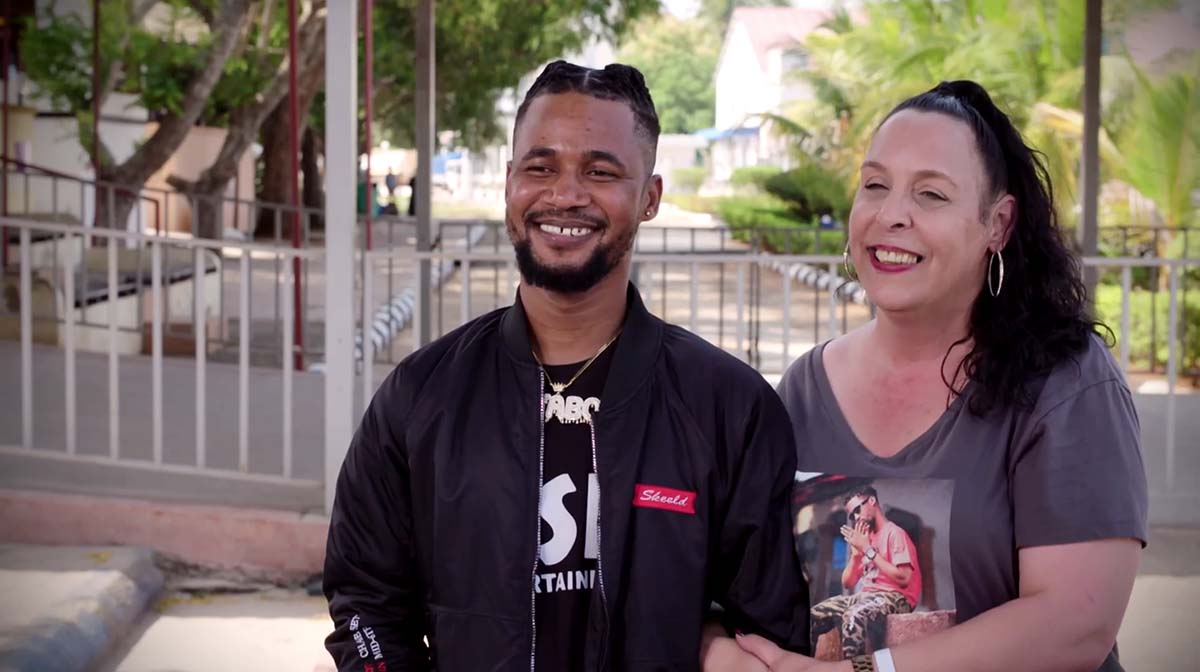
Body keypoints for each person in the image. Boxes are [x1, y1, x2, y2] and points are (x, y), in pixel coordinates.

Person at [323, 60, 808, 672]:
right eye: (541, 167)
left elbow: (767, 626)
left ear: (649, 198)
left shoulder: (729, 407)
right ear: (509, 184)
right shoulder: (421, 396)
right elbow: (365, 601)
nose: (566, 194)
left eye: (601, 171)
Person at [708, 80, 1148, 672]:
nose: (892, 214)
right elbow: (748, 583)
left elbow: (1076, 623)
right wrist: (720, 652)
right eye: (875, 186)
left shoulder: (1066, 381)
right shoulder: (804, 389)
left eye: (932, 195)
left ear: (998, 224)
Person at [809, 487, 921, 659]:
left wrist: (868, 550)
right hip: (867, 596)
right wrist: (856, 556)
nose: (855, 517)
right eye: (851, 514)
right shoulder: (866, 537)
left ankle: (861, 670)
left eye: (857, 510)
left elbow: (904, 578)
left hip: (896, 597)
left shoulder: (894, 533)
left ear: (872, 501)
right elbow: (847, 583)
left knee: (854, 615)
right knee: (814, 615)